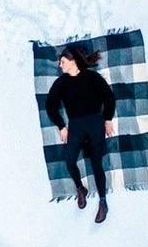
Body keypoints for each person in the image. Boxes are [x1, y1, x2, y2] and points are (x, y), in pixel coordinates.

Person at [46, 44, 117, 223]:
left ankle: (103, 202)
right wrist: (62, 126)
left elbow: (109, 97)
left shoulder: (92, 77)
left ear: (72, 61)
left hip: (95, 123)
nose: (60, 65)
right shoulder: (61, 83)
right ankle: (80, 188)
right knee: (70, 161)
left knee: (96, 163)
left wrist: (108, 119)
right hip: (76, 125)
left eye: (62, 62)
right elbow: (50, 106)